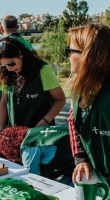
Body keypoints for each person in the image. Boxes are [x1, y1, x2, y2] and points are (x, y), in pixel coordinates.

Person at [0, 37, 73, 179]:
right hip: (16, 139)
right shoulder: (7, 73)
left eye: (11, 63)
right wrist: (2, 128)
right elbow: (3, 103)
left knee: (40, 178)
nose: (10, 68)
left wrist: (43, 123)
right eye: (5, 65)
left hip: (40, 137)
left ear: (20, 53)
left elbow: (60, 99)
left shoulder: (42, 70)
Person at [66, 24, 110, 198]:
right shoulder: (80, 88)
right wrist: (81, 159)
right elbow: (73, 123)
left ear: (88, 56)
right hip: (97, 176)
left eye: (70, 51)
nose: (68, 57)